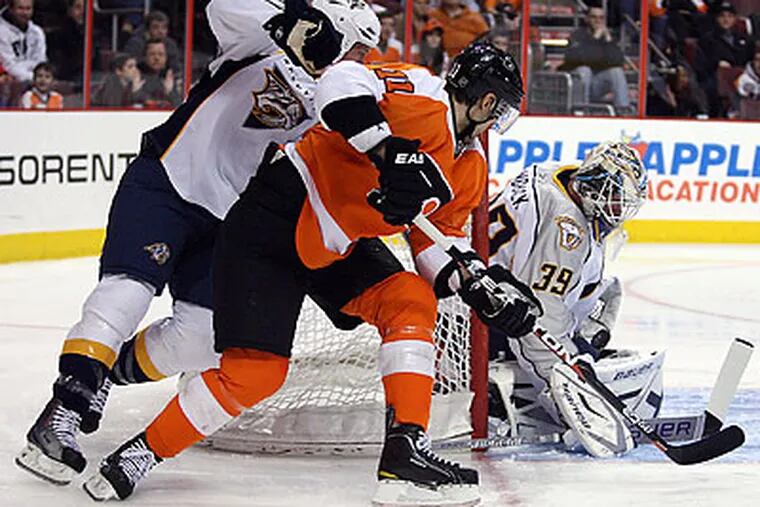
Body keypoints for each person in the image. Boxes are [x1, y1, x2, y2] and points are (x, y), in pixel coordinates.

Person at [81, 41, 536, 506]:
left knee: (411, 300)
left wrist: (475, 283)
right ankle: (137, 454)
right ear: (486, 101)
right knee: (255, 374)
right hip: (276, 216)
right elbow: (341, 79)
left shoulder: (470, 166)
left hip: (337, 245)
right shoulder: (423, 95)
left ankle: (405, 454)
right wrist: (385, 151)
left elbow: (435, 243)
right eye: (499, 109)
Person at [15, 0, 381, 488]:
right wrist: (291, 20)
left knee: (204, 337)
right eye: (359, 48)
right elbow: (221, 6)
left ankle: (107, 373)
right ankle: (63, 412)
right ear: (334, 30)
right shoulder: (260, 40)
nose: (362, 61)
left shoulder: (341, 97)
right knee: (127, 292)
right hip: (168, 181)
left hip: (231, 220)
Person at [487, 141, 656, 458]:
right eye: (614, 198)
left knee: (606, 295)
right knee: (567, 350)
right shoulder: (567, 230)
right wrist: (569, 390)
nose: (618, 210)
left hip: (486, 290)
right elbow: (538, 320)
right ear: (594, 188)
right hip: (484, 321)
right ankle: (495, 395)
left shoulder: (558, 174)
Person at [559, 4, 631, 112]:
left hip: (596, 85)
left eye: (601, 18)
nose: (598, 21)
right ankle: (580, 111)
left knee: (616, 72)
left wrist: (609, 40)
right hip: (575, 85)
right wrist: (595, 38)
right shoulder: (577, 35)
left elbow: (618, 61)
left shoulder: (606, 38)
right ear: (587, 19)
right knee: (584, 70)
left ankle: (623, 110)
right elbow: (581, 58)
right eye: (594, 17)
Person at [0, 0, 46, 84]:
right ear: (11, 9)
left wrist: (40, 78)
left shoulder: (37, 32)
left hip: (36, 81)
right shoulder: (2, 32)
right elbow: (9, 66)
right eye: (20, 8)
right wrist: (35, 78)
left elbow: (41, 61)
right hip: (10, 83)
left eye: (28, 8)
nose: (24, 13)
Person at [46, 0, 84, 85]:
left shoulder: (91, 32)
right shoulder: (62, 34)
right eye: (78, 7)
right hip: (68, 77)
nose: (82, 12)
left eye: (84, 8)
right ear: (69, 10)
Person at [138, 38, 181, 108]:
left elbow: (180, 106)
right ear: (145, 57)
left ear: (166, 57)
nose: (157, 58)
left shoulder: (172, 78)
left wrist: (169, 92)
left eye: (161, 54)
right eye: (152, 54)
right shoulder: (137, 77)